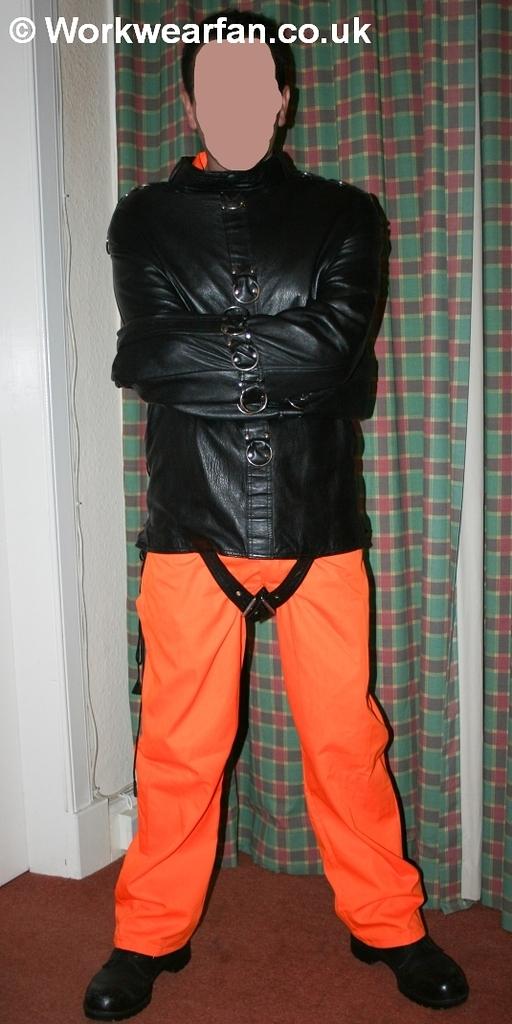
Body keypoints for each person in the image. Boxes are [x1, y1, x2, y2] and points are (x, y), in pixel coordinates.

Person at [83, 8, 469, 1020]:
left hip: (319, 522)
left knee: (346, 738)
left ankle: (387, 921)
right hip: (189, 523)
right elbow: (145, 357)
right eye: (215, 84)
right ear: (188, 102)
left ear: (286, 99)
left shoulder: (347, 215)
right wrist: (286, 358)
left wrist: (220, 356)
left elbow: (334, 349)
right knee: (177, 746)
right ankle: (148, 934)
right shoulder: (142, 220)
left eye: (254, 83)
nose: (236, 101)